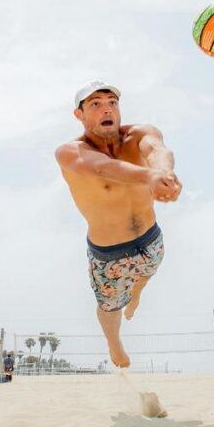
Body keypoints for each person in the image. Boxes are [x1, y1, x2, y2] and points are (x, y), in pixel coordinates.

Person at [56, 80, 182, 369]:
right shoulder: (70, 151)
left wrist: (164, 173)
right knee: (110, 306)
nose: (106, 109)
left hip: (151, 240)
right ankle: (114, 342)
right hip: (109, 255)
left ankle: (135, 294)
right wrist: (148, 178)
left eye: (112, 102)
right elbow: (103, 167)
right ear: (80, 115)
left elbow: (158, 150)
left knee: (145, 276)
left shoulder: (140, 133)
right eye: (95, 104)